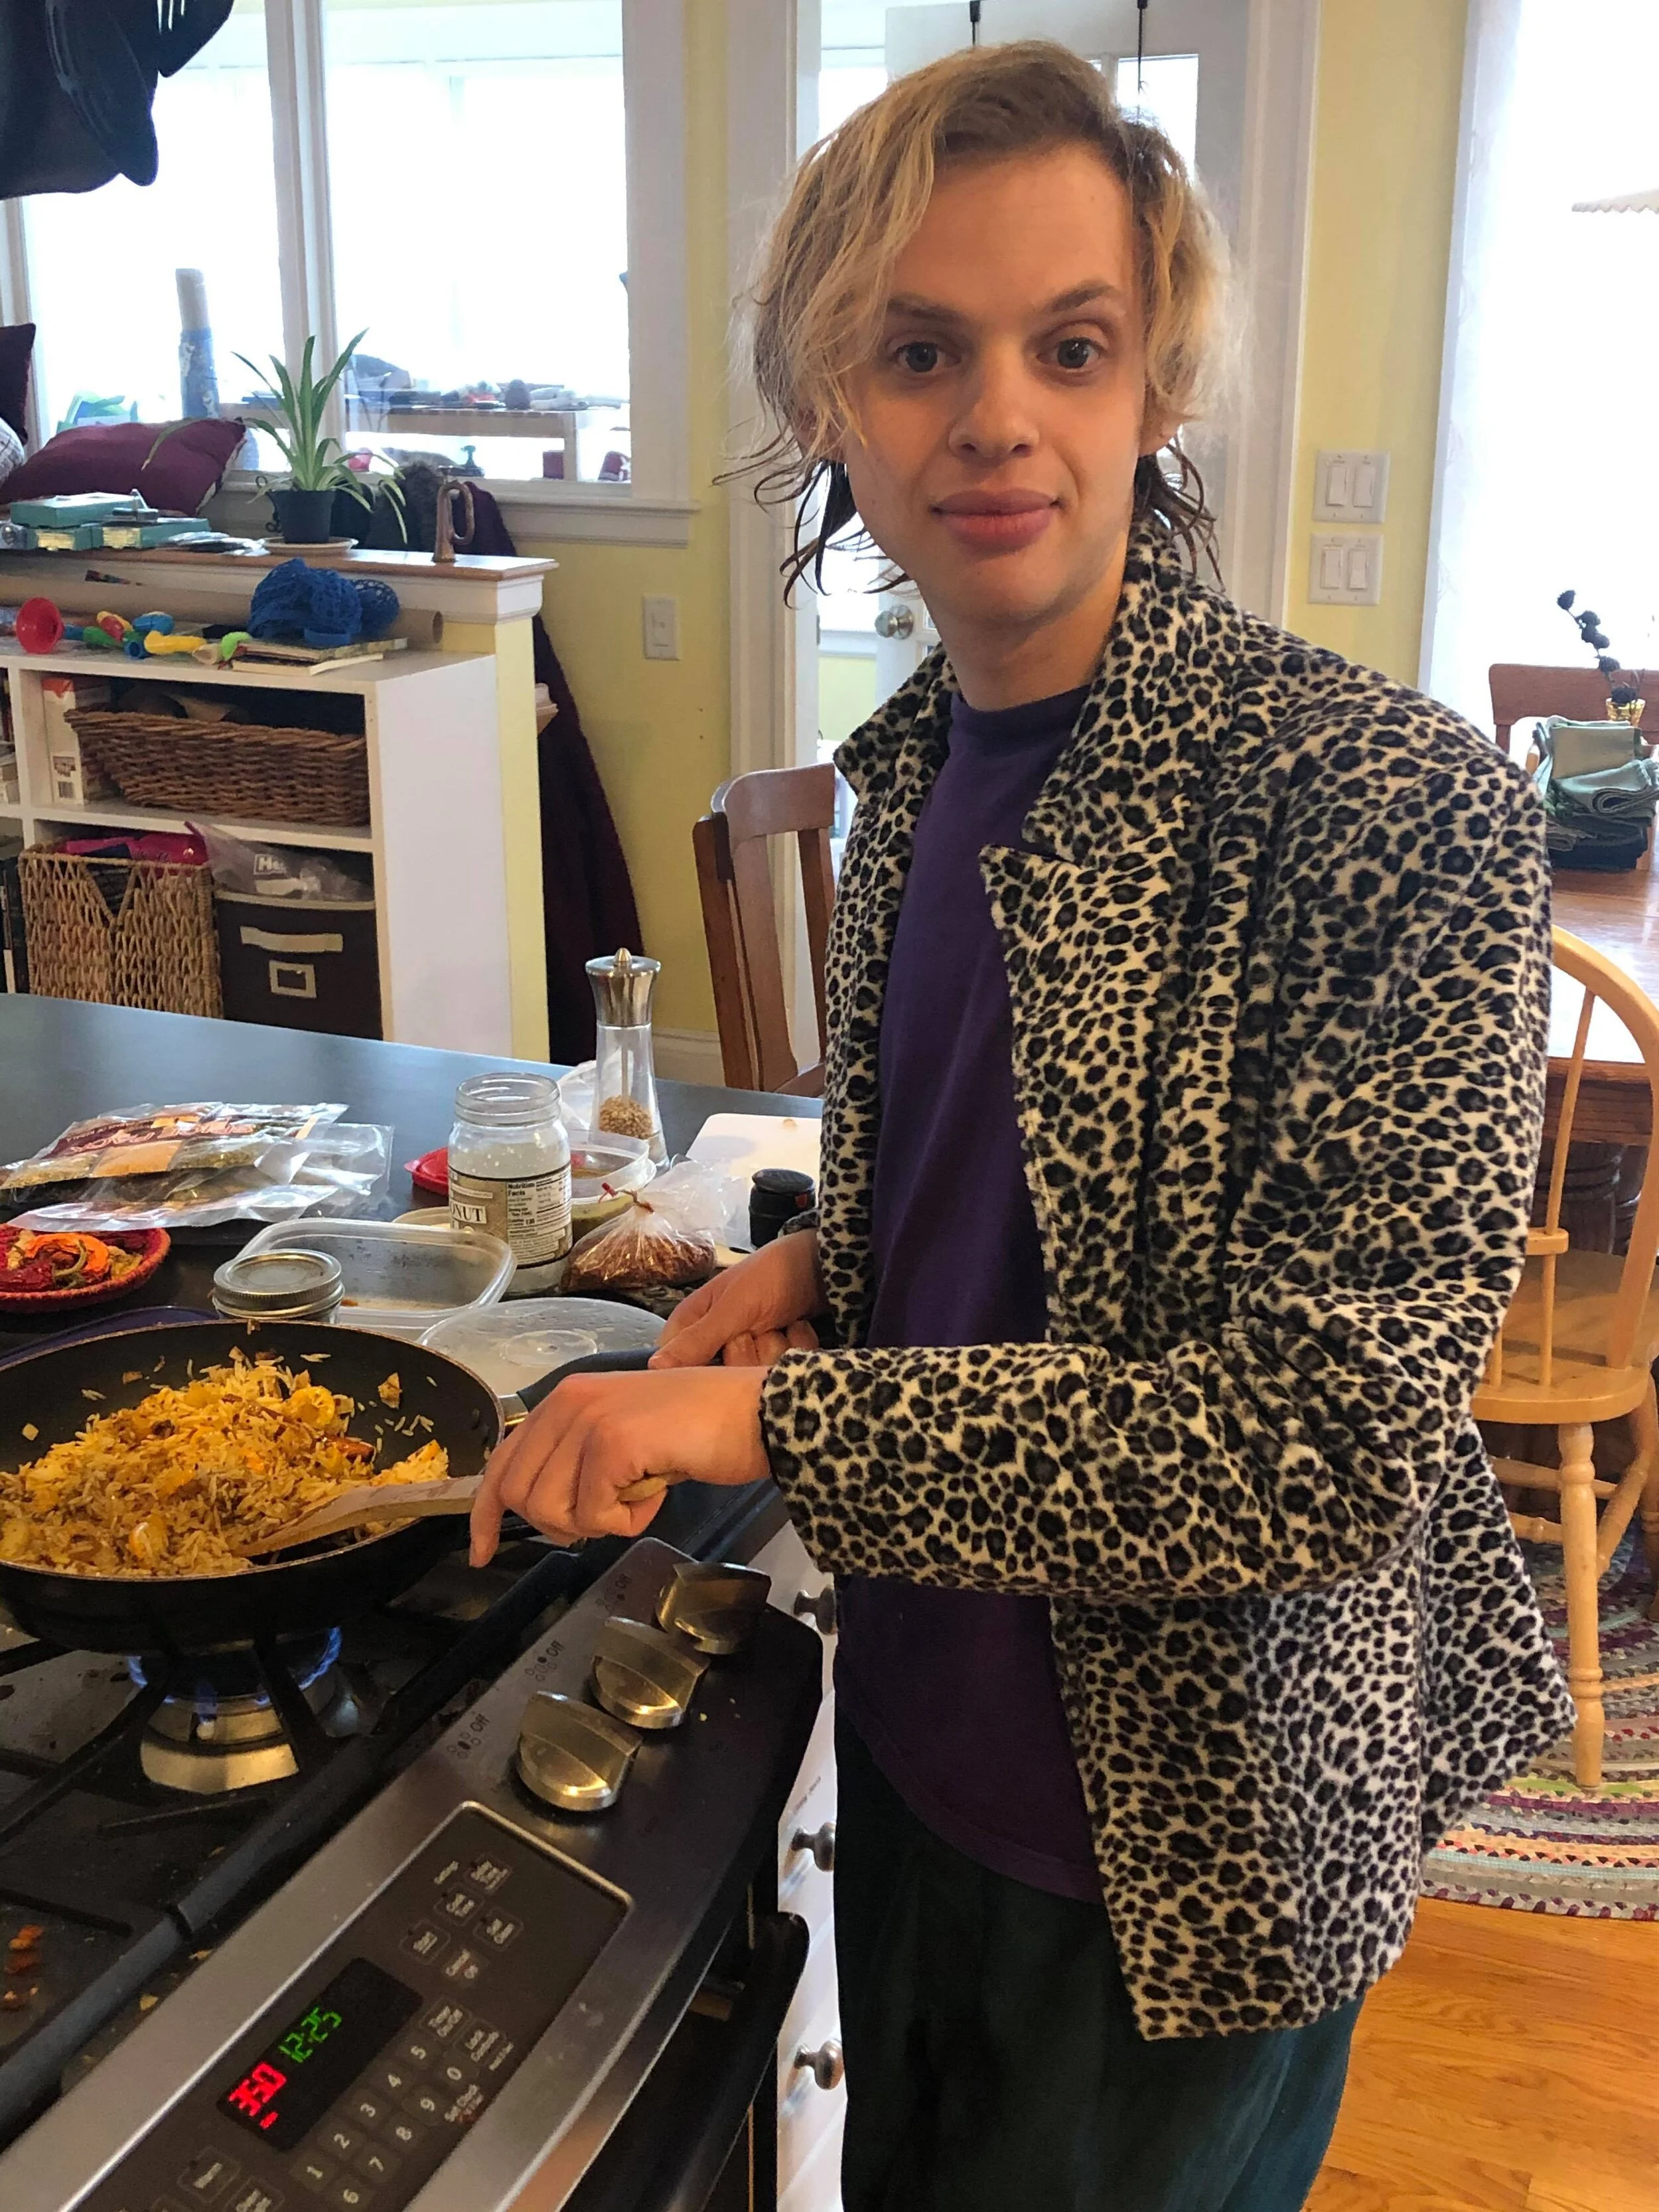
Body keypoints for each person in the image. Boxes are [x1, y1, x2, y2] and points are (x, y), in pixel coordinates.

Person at [471, 40, 1573, 2212]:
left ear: (1154, 382)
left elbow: (1314, 1442)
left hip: (1189, 1837)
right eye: (916, 350)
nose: (994, 413)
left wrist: (765, 1434)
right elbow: (1007, 1189)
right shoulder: (913, 782)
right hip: (914, 1735)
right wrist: (819, 1269)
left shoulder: (1390, 806)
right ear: (825, 410)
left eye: (1068, 344)